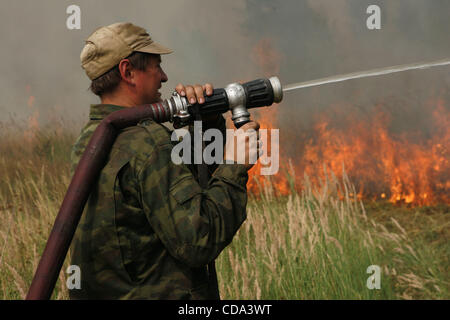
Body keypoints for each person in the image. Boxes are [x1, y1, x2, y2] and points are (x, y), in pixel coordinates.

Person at [69, 22, 260, 299]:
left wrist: (205, 122)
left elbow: (180, 194)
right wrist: (234, 165)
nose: (165, 77)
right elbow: (197, 240)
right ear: (128, 72)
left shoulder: (91, 137)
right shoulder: (146, 142)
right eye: (156, 66)